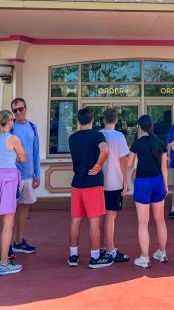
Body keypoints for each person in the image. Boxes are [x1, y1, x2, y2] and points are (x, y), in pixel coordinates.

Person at [67, 107, 114, 269]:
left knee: (75, 220)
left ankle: (73, 255)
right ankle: (95, 257)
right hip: (93, 183)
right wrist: (98, 165)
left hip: (77, 183)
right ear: (92, 120)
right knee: (94, 221)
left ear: (78, 121)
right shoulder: (97, 135)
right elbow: (105, 149)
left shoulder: (72, 138)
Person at [0, 110, 26, 276]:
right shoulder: (13, 138)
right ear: (9, 121)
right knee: (8, 222)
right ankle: (4, 263)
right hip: (8, 178)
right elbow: (23, 157)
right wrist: (15, 157)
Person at [128, 115, 168, 269]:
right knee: (160, 220)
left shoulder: (137, 143)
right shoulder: (160, 142)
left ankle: (145, 258)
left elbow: (130, 164)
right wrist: (165, 186)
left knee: (143, 222)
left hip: (143, 182)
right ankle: (162, 253)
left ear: (140, 127)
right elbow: (164, 167)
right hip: (158, 181)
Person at [9, 98, 40, 256]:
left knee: (25, 207)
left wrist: (37, 174)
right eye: (15, 110)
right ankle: (7, 244)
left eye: (21, 109)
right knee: (10, 211)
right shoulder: (10, 127)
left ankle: (19, 241)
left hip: (28, 175)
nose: (18, 112)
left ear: (26, 108)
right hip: (13, 175)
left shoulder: (32, 127)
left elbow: (36, 151)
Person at [99, 107, 130, 262]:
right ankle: (110, 250)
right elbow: (123, 159)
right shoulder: (119, 136)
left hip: (98, 182)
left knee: (99, 216)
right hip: (114, 182)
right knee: (111, 216)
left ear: (103, 119)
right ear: (116, 120)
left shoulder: (98, 135)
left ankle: (101, 247)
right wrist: (125, 180)